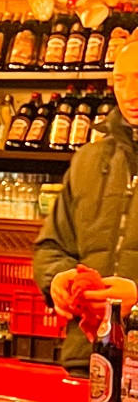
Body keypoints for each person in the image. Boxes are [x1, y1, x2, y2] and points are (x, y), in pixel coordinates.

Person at [34, 35, 138, 366]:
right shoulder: (88, 160)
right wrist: (57, 281)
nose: (129, 94)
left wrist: (136, 301)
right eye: (120, 80)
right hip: (88, 357)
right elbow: (52, 247)